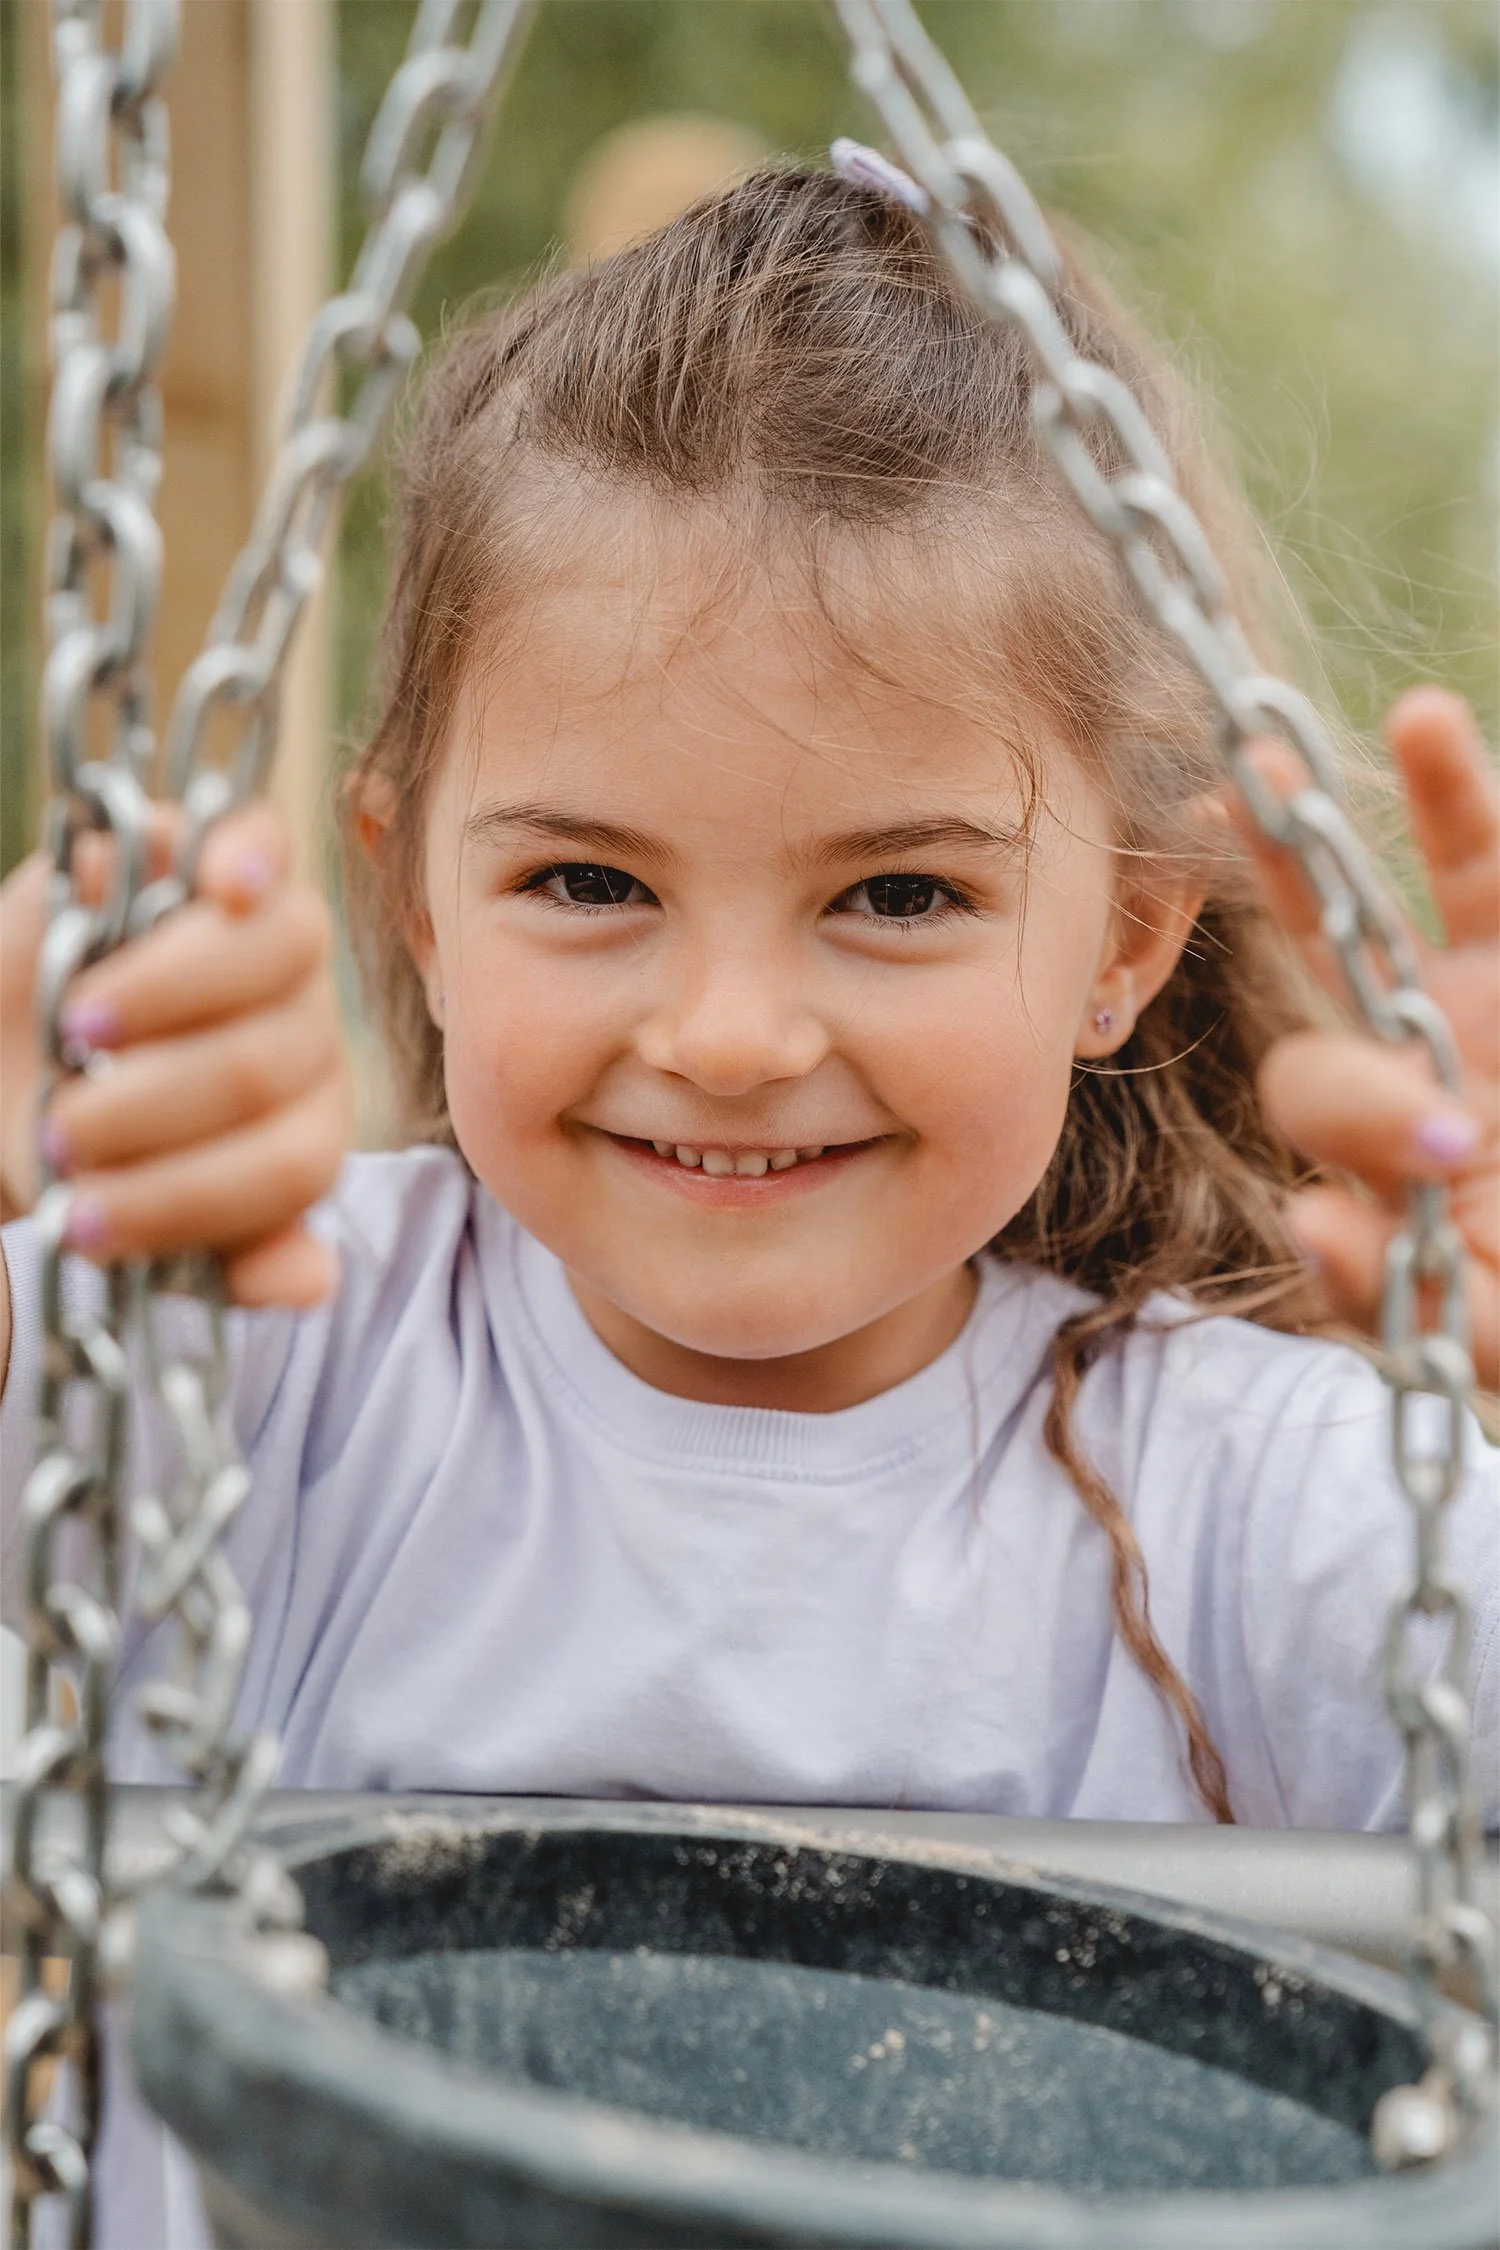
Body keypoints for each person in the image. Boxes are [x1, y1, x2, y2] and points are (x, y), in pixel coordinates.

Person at [0, 164, 1495, 2247]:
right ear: (412, 888)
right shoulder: (262, 1375)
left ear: (1125, 944)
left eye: (898, 894)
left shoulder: (1259, 1500)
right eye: (588, 883)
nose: (722, 1031)